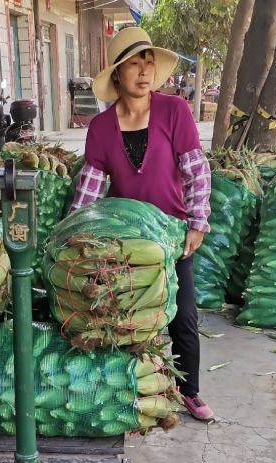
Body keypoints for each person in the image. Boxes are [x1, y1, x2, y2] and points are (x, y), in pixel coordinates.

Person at [72, 27, 213, 420]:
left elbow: (196, 170)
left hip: (171, 235)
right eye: (134, 62)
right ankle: (127, 390)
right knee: (123, 316)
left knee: (182, 314)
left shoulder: (174, 111)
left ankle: (191, 390)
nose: (144, 70)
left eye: (148, 61)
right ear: (118, 73)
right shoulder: (101, 129)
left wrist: (198, 222)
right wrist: (72, 233)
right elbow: (91, 187)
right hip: (124, 240)